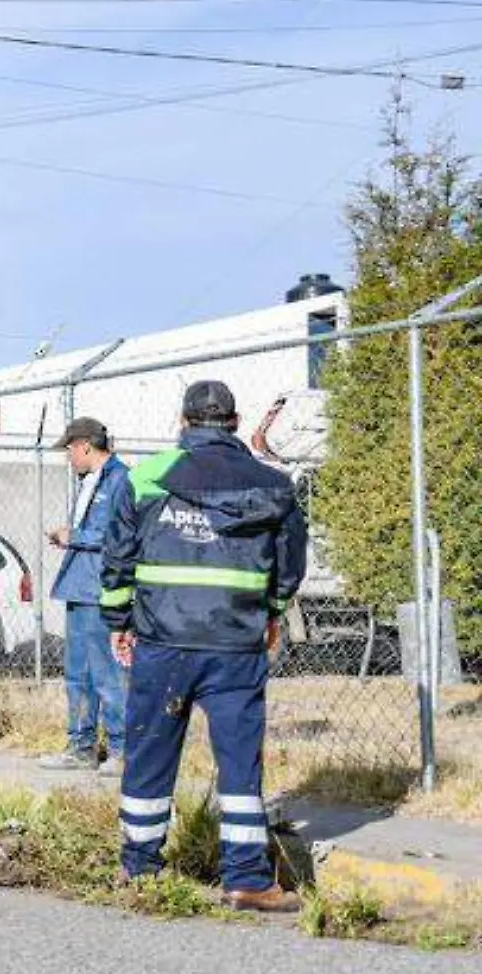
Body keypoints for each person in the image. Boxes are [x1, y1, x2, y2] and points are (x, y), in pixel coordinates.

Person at [102, 380, 307, 914]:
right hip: (235, 644)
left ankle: (138, 868)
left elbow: (118, 555)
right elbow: (290, 563)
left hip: (162, 640)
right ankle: (245, 878)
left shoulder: (145, 477)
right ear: (236, 424)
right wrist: (274, 613)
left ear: (184, 422)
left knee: (149, 750)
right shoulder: (273, 484)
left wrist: (117, 619)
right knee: (240, 762)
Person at [39, 417, 131, 778]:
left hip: (101, 590)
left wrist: (73, 535)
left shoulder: (121, 479)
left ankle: (122, 750)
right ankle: (81, 746)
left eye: (69, 449)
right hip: (80, 587)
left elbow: (119, 536)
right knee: (78, 673)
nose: (68, 457)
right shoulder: (90, 482)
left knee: (107, 674)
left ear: (85, 446)